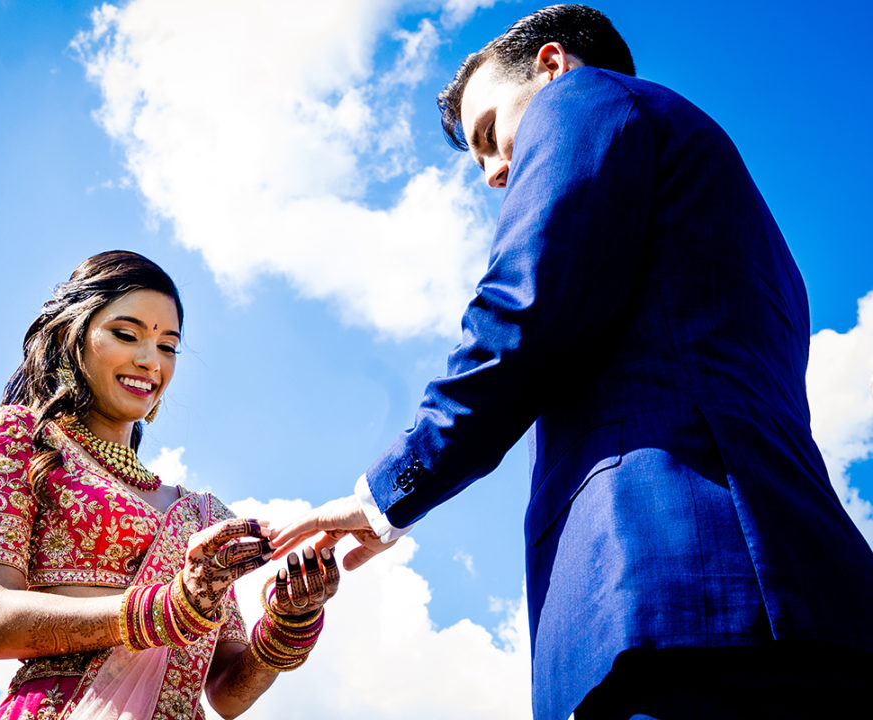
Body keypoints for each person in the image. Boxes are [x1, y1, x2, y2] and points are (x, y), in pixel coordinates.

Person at [271, 5, 873, 719]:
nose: (495, 172)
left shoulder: (585, 100)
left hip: (672, 597)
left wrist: (386, 494)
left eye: (491, 134)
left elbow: (528, 304)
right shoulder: (756, 238)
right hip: (807, 599)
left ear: (553, 65)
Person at [0, 250, 338, 720]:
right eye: (126, 334)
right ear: (69, 335)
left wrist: (286, 624)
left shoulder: (203, 515)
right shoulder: (21, 437)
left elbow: (226, 693)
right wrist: (165, 610)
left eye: (168, 346)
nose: (148, 360)